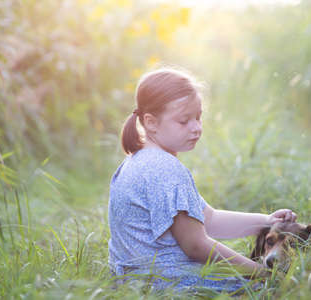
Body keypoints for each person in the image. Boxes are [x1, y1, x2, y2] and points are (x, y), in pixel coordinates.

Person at [108, 67, 297, 293]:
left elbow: (209, 218)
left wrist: (266, 221)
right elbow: (196, 246)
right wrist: (259, 272)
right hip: (172, 286)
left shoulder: (135, 162)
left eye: (198, 117)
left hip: (135, 286)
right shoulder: (166, 170)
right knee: (281, 289)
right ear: (151, 123)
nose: (196, 128)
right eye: (184, 121)